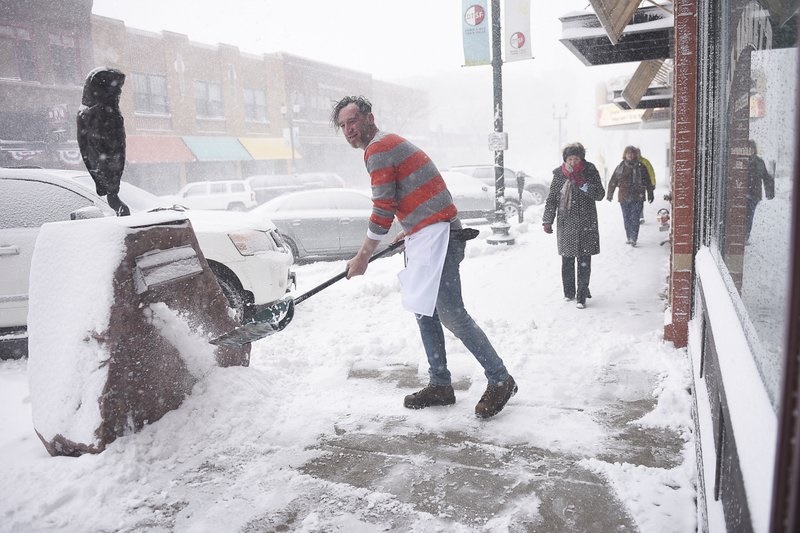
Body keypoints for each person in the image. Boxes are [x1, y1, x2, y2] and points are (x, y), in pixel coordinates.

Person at [331, 95, 517, 419]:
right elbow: (415, 196)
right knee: (424, 310)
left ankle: (500, 378)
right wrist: (413, 228)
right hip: (428, 234)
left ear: (369, 118)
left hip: (440, 237)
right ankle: (440, 384)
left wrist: (363, 256)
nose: (348, 130)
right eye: (343, 126)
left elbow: (382, 209)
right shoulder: (384, 146)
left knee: (452, 315)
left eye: (352, 121)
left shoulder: (378, 148)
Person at [542, 143, 605, 309]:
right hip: (566, 222)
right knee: (567, 259)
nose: (573, 162)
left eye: (576, 158)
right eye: (570, 158)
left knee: (584, 260)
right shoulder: (559, 175)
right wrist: (547, 220)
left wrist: (583, 184)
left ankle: (581, 296)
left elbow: (600, 194)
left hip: (586, 222)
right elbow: (552, 199)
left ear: (581, 158)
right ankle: (569, 293)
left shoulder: (590, 171)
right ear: (565, 159)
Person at [606, 146, 655, 247]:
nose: (630, 155)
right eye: (628, 153)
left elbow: (647, 181)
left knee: (635, 217)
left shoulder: (641, 167)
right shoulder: (620, 167)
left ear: (635, 155)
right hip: (624, 196)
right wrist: (610, 194)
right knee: (627, 218)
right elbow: (613, 181)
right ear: (625, 155)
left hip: (638, 196)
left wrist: (650, 193)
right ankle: (629, 236)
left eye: (632, 153)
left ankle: (633, 238)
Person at [745, 139, 775, 243]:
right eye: (748, 148)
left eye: (751, 148)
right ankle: (742, 235)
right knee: (742, 215)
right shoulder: (741, 160)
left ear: (754, 149)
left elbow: (766, 177)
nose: (750, 150)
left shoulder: (759, 162)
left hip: (754, 195)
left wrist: (770, 193)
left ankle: (745, 236)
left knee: (749, 216)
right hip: (743, 194)